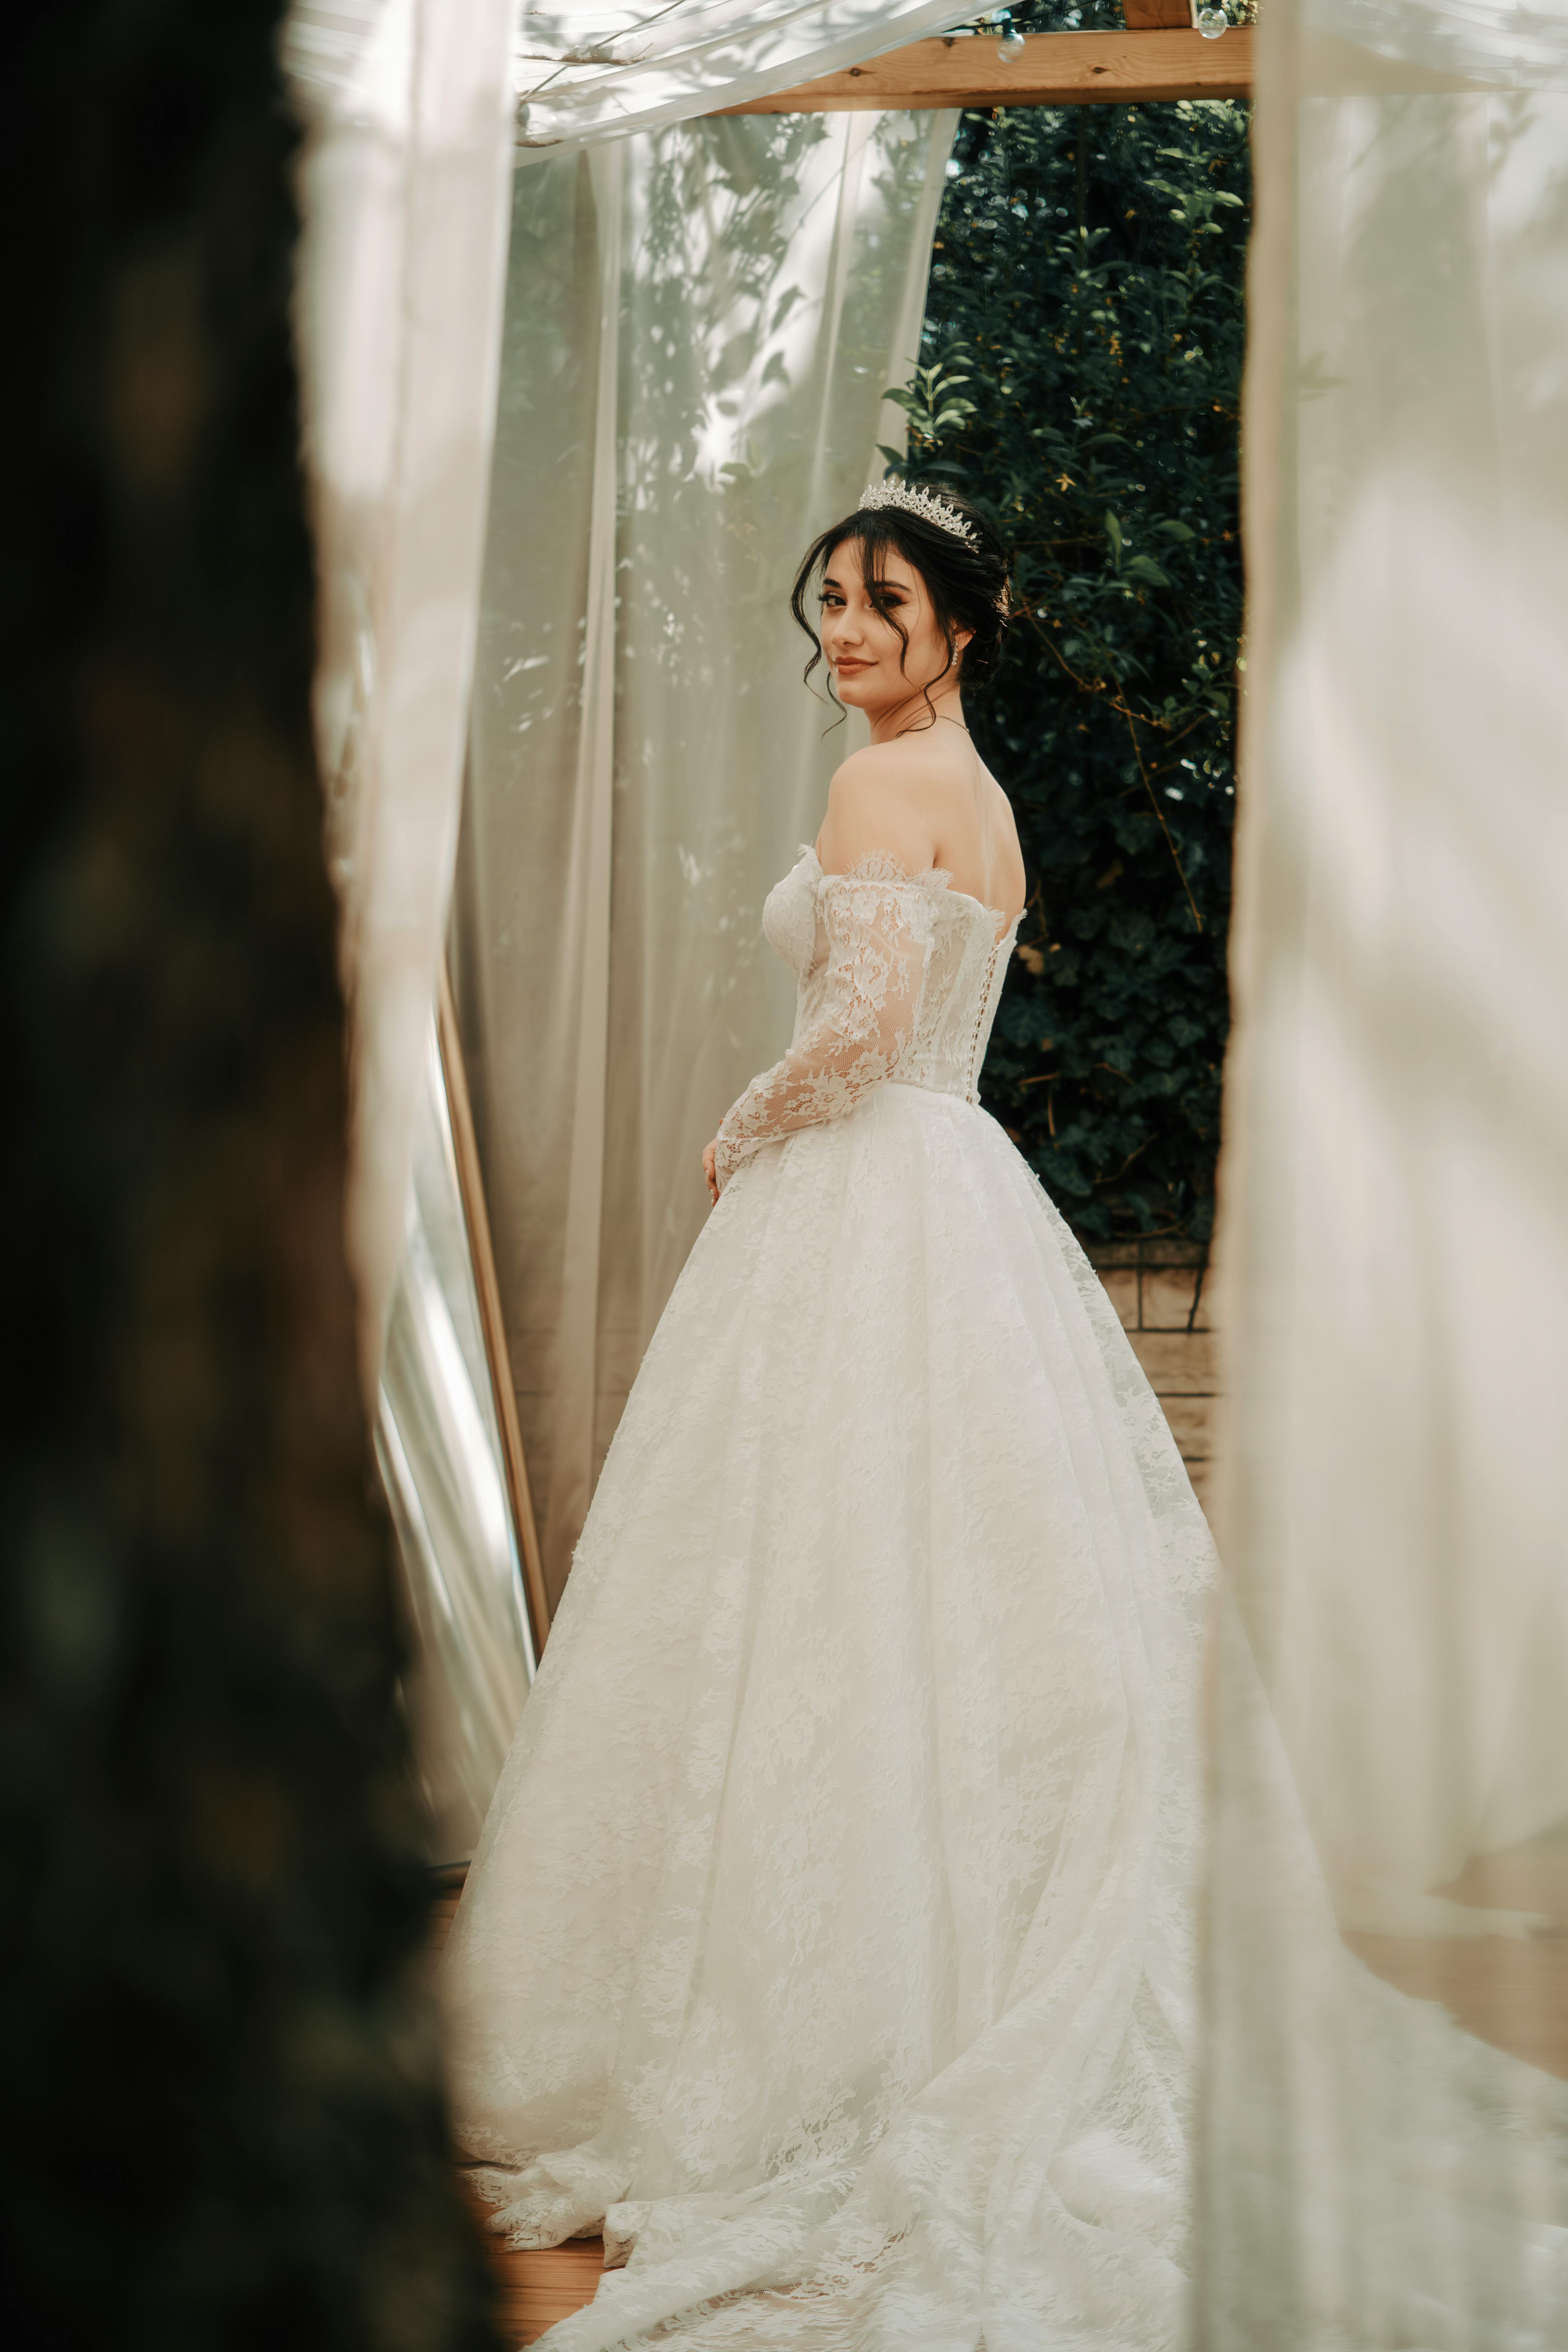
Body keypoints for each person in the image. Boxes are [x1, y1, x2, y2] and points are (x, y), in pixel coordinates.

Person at [439, 484, 1565, 2350]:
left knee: (806, 1596)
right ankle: (901, 1981)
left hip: (866, 1183)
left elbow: (864, 1022)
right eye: (833, 601)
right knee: (922, 1608)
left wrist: (737, 1128)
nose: (850, 628)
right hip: (953, 1194)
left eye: (883, 600)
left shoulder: (880, 789)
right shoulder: (983, 795)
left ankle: (805, 2021)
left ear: (961, 623)